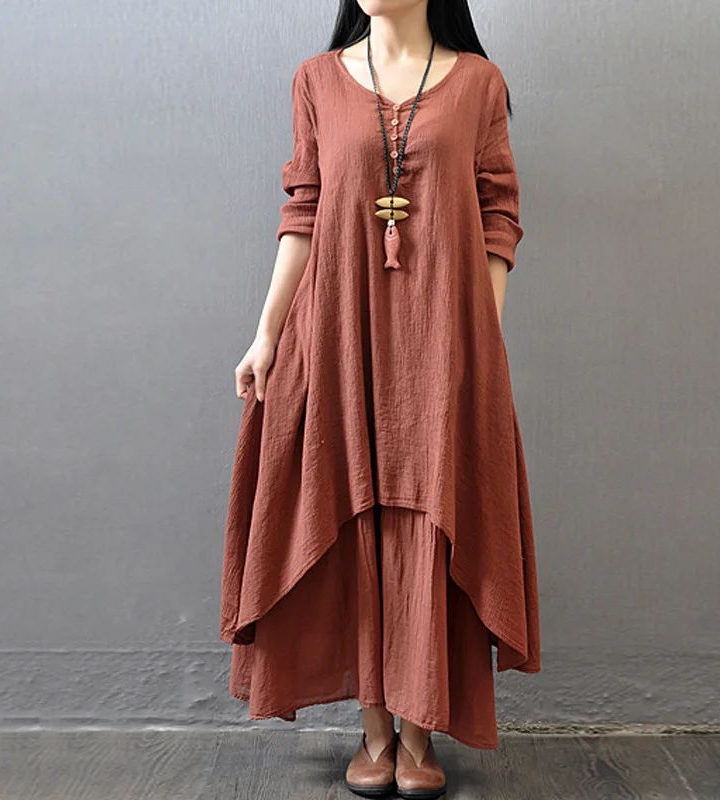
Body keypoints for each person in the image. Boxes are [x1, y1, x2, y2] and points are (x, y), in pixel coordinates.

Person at [218, 1, 541, 797]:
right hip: (339, 332)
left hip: (445, 341)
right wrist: (266, 334)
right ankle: (373, 729)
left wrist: (477, 335)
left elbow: (498, 215)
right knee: (352, 506)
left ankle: (419, 730)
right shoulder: (316, 81)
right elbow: (304, 213)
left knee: (431, 515)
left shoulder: (480, 84)